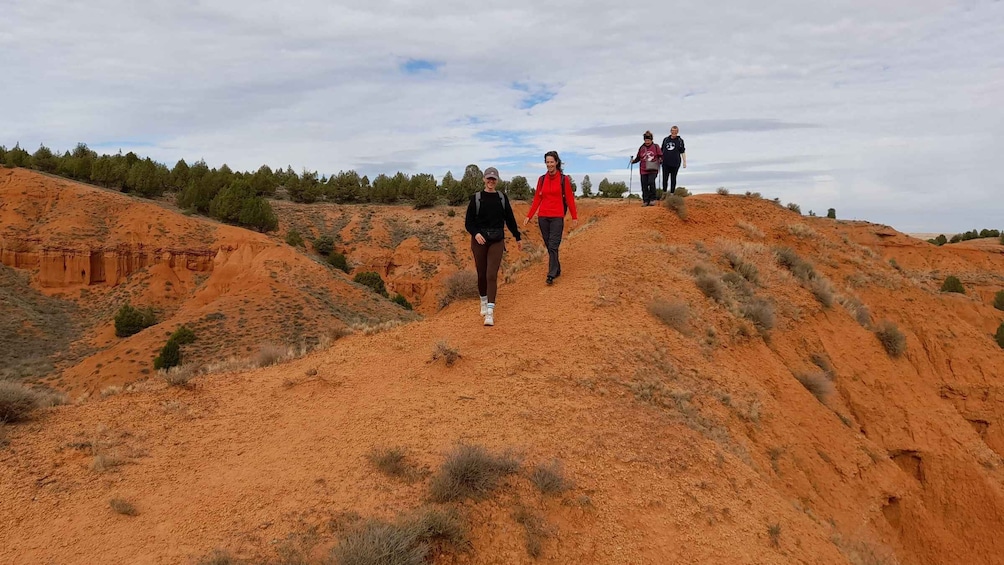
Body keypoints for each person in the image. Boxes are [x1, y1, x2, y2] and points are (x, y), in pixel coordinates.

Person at [465, 166, 522, 326]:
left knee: (491, 274)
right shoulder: (475, 198)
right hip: (479, 241)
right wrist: (476, 233)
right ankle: (483, 300)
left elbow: (509, 219)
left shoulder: (502, 198)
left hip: (497, 240)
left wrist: (517, 236)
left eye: (493, 179)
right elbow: (468, 222)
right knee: (481, 274)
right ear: (484, 179)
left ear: (497, 180)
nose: (491, 181)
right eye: (488, 178)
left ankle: (490, 312)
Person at [523, 151, 578, 286]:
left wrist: (574, 216)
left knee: (553, 245)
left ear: (557, 162)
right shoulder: (541, 179)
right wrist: (529, 215)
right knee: (549, 245)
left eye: (551, 162)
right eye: (547, 162)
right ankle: (557, 268)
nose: (549, 164)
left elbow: (570, 199)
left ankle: (551, 274)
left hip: (557, 217)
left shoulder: (563, 179)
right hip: (543, 217)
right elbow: (537, 198)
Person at [630, 131, 662, 206]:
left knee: (651, 182)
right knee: (644, 184)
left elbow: (661, 155)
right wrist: (633, 161)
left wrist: (660, 159)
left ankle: (653, 199)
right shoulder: (641, 148)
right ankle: (645, 200)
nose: (647, 142)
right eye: (646, 140)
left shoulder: (656, 146)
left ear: (651, 140)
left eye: (648, 140)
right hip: (643, 169)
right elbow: (638, 157)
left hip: (653, 168)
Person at [661, 125, 687, 195]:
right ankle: (664, 193)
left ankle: (672, 193)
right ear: (670, 131)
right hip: (665, 162)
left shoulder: (680, 141)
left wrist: (684, 162)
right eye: (672, 131)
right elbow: (661, 150)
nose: (674, 132)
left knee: (673, 178)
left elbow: (682, 151)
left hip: (675, 162)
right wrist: (660, 159)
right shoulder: (666, 139)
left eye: (675, 131)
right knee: (665, 178)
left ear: (677, 132)